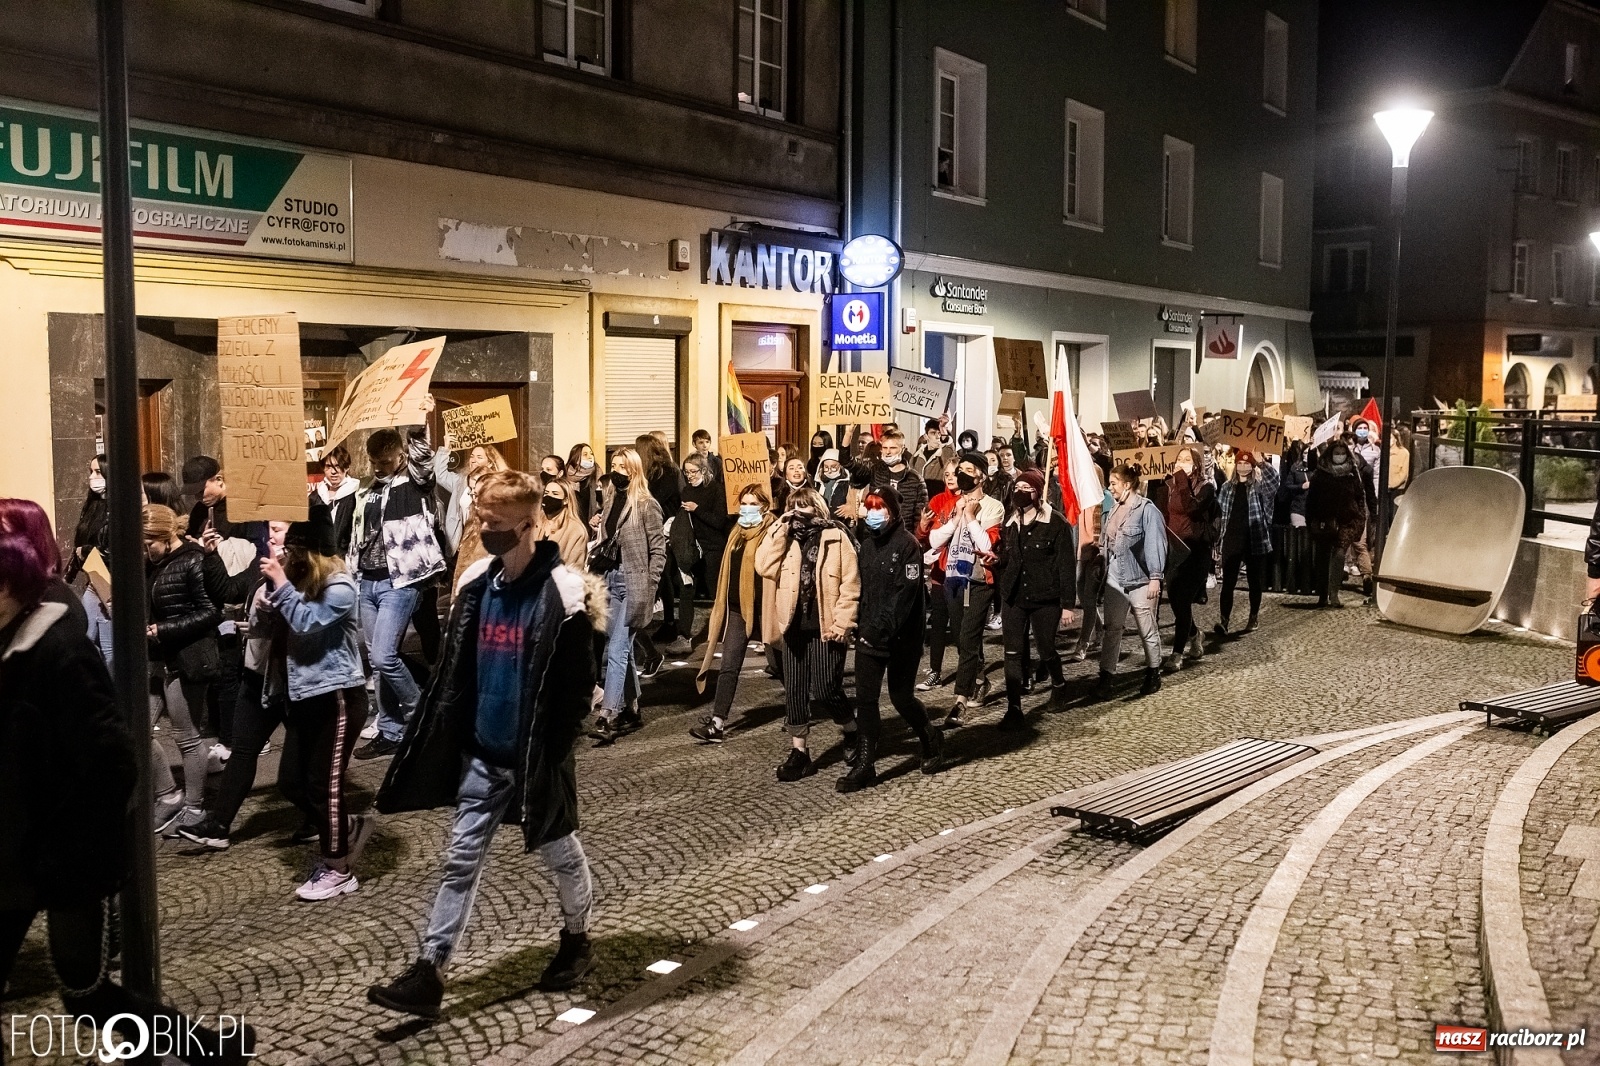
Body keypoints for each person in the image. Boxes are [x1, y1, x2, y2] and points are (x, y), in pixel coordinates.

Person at [0, 510, 256, 1065]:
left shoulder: (58, 649)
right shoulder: (13, 636)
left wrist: (73, 843)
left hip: (63, 855)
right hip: (15, 853)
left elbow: (112, 759)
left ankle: (208, 1049)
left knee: (86, 993)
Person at [368, 471, 600, 1017]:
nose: (482, 529)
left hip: (534, 759)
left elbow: (572, 692)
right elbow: (455, 673)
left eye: (493, 524)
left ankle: (577, 939)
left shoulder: (563, 594)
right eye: (480, 519)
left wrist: (549, 751)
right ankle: (429, 970)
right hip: (482, 756)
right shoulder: (477, 584)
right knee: (460, 861)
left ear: (527, 525)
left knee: (561, 853)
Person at [839, 488, 946, 791]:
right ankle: (865, 764)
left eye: (879, 509)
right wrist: (857, 623)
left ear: (893, 512)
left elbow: (905, 595)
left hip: (901, 638)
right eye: (869, 508)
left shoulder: (908, 546)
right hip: (868, 637)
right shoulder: (867, 545)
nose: (873, 514)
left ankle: (929, 736)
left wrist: (880, 628)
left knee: (901, 697)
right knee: (866, 701)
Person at [351, 422, 446, 760]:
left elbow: (424, 461)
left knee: (383, 656)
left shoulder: (415, 482)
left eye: (386, 462)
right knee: (377, 665)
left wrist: (421, 426)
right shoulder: (366, 488)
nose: (379, 468)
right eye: (374, 462)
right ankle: (391, 731)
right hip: (369, 580)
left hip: (402, 581)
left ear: (400, 457)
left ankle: (423, 714)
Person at [755, 486, 859, 781]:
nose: (799, 512)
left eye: (805, 506)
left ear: (818, 508)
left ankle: (851, 730)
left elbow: (850, 584)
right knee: (796, 691)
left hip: (827, 624)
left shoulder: (836, 536)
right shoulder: (785, 538)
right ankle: (799, 752)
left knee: (827, 688)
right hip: (792, 624)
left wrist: (843, 623)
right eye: (794, 506)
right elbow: (763, 565)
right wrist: (779, 525)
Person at [141, 504, 221, 837]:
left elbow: (211, 612)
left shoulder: (193, 559)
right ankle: (168, 795)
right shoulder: (152, 564)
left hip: (185, 659)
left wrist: (165, 629)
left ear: (166, 534)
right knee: (136, 729)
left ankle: (194, 806)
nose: (146, 550)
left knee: (186, 738)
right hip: (156, 658)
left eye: (149, 543)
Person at [588, 447, 666, 743]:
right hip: (609, 579)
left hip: (634, 583)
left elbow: (659, 549)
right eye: (613, 464)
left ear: (634, 470)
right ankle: (632, 707)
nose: (617, 470)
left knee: (617, 649)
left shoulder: (647, 504)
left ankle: (608, 714)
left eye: (623, 465)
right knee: (620, 647)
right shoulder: (609, 500)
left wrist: (650, 582)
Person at [691, 485, 780, 743]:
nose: (747, 507)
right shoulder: (737, 532)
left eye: (753, 503)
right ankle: (717, 723)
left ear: (765, 506)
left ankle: (798, 710)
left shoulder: (772, 532)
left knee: (782, 665)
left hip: (764, 609)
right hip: (738, 609)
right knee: (729, 666)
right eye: (744, 502)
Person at [926, 452, 1004, 728]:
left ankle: (959, 701)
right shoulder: (951, 504)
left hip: (979, 580)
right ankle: (981, 679)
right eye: (961, 469)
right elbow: (934, 539)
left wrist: (971, 517)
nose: (962, 474)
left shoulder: (993, 506)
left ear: (980, 475)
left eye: (969, 470)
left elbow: (986, 545)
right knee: (961, 639)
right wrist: (955, 519)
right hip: (953, 578)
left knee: (969, 637)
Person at [993, 469, 1073, 728]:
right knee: (1012, 652)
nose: (1020, 493)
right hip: (1014, 595)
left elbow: (1066, 566)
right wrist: (997, 560)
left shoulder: (1056, 523)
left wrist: (1068, 605)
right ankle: (1014, 707)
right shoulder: (1011, 520)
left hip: (1044, 597)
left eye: (1027, 489)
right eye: (1018, 487)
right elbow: (1009, 557)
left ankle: (1059, 684)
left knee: (1046, 648)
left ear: (1038, 492)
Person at [1096, 464, 1166, 697]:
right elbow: (1107, 542)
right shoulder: (1115, 509)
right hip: (1115, 576)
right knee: (1112, 628)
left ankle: (1153, 672)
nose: (1110, 487)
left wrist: (1155, 577)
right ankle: (1106, 675)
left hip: (1140, 578)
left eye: (1114, 483)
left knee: (1146, 628)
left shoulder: (1147, 510)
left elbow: (1156, 544)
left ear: (1127, 485)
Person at [1213, 449, 1279, 637]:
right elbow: (1220, 514)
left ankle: (1253, 616)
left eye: (1247, 464)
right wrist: (1217, 541)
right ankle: (1224, 620)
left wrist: (1262, 463)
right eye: (1240, 463)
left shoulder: (1258, 486)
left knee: (1254, 581)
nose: (1243, 467)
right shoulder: (1227, 487)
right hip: (1232, 539)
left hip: (1254, 538)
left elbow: (1274, 483)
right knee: (1228, 582)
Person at [1161, 445, 1215, 671]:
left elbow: (1192, 509)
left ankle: (1176, 654)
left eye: (1187, 459)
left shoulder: (1206, 488)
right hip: (1175, 551)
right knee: (1174, 599)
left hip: (1195, 552)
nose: (1181, 462)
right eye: (1179, 458)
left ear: (1196, 465)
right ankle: (1194, 633)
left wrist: (1181, 479)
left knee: (1182, 599)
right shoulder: (1171, 485)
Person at [435, 444, 510, 593]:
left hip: (482, 545)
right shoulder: (461, 481)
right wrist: (445, 449)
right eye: (472, 456)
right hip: (459, 544)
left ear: (490, 462)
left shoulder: (497, 486)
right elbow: (439, 473)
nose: (473, 460)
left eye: (479, 457)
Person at [1306, 440, 1370, 608]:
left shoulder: (1352, 472)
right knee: (1322, 557)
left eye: (1342, 452)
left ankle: (1334, 592)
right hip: (1324, 520)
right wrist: (1310, 520)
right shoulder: (1321, 473)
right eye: (1337, 452)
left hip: (1346, 521)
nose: (1340, 456)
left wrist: (1360, 517)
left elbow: (1360, 496)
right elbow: (1311, 499)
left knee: (1339, 554)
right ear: (1330, 454)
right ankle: (1322, 594)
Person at [917, 460, 961, 691]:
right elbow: (924, 538)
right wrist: (923, 525)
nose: (950, 478)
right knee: (937, 626)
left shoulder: (967, 501)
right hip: (938, 574)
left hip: (959, 575)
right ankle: (935, 671)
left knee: (960, 627)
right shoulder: (937, 501)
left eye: (955, 474)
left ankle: (970, 673)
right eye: (947, 474)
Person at [675, 452, 729, 637]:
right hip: (692, 547)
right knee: (687, 589)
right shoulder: (686, 491)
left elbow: (719, 521)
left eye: (693, 472)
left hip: (712, 546)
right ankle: (683, 633)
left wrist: (697, 510)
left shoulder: (716, 490)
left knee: (715, 589)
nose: (689, 476)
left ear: (704, 471)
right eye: (686, 472)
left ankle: (721, 631)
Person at [65, 453, 109, 582]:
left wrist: (86, 550)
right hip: (93, 576)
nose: (92, 477)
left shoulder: (119, 507)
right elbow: (80, 541)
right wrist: (68, 576)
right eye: (91, 471)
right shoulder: (93, 505)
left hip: (108, 576)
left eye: (98, 472)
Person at [312, 445, 360, 552]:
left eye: (338, 466)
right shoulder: (316, 495)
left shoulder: (356, 494)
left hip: (344, 556)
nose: (333, 472)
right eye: (328, 466)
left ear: (347, 467)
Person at [537, 477, 590, 571]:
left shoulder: (576, 530)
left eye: (555, 494)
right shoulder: (535, 523)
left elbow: (575, 568)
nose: (549, 497)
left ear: (566, 500)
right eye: (546, 493)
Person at [913, 415, 956, 499]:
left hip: (938, 500)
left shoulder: (945, 453)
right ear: (926, 436)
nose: (937, 436)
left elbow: (950, 458)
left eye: (939, 433)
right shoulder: (917, 455)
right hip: (918, 501)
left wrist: (943, 430)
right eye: (933, 433)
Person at [567, 442, 602, 527]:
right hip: (572, 526)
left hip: (591, 525)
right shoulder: (565, 477)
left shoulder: (597, 475)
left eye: (591, 454)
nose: (590, 457)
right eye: (585, 454)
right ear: (575, 458)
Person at [1276, 440, 1310, 529]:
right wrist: (1301, 486)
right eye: (1305, 453)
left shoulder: (1317, 468)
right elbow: (1288, 485)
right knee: (1300, 536)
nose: (1307, 455)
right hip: (1298, 508)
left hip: (1313, 509)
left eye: (1310, 453)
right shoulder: (1296, 467)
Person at [815, 448, 851, 518]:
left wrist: (850, 507)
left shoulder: (847, 484)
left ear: (841, 466)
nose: (829, 471)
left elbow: (854, 502)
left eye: (833, 467)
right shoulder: (817, 484)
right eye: (826, 467)